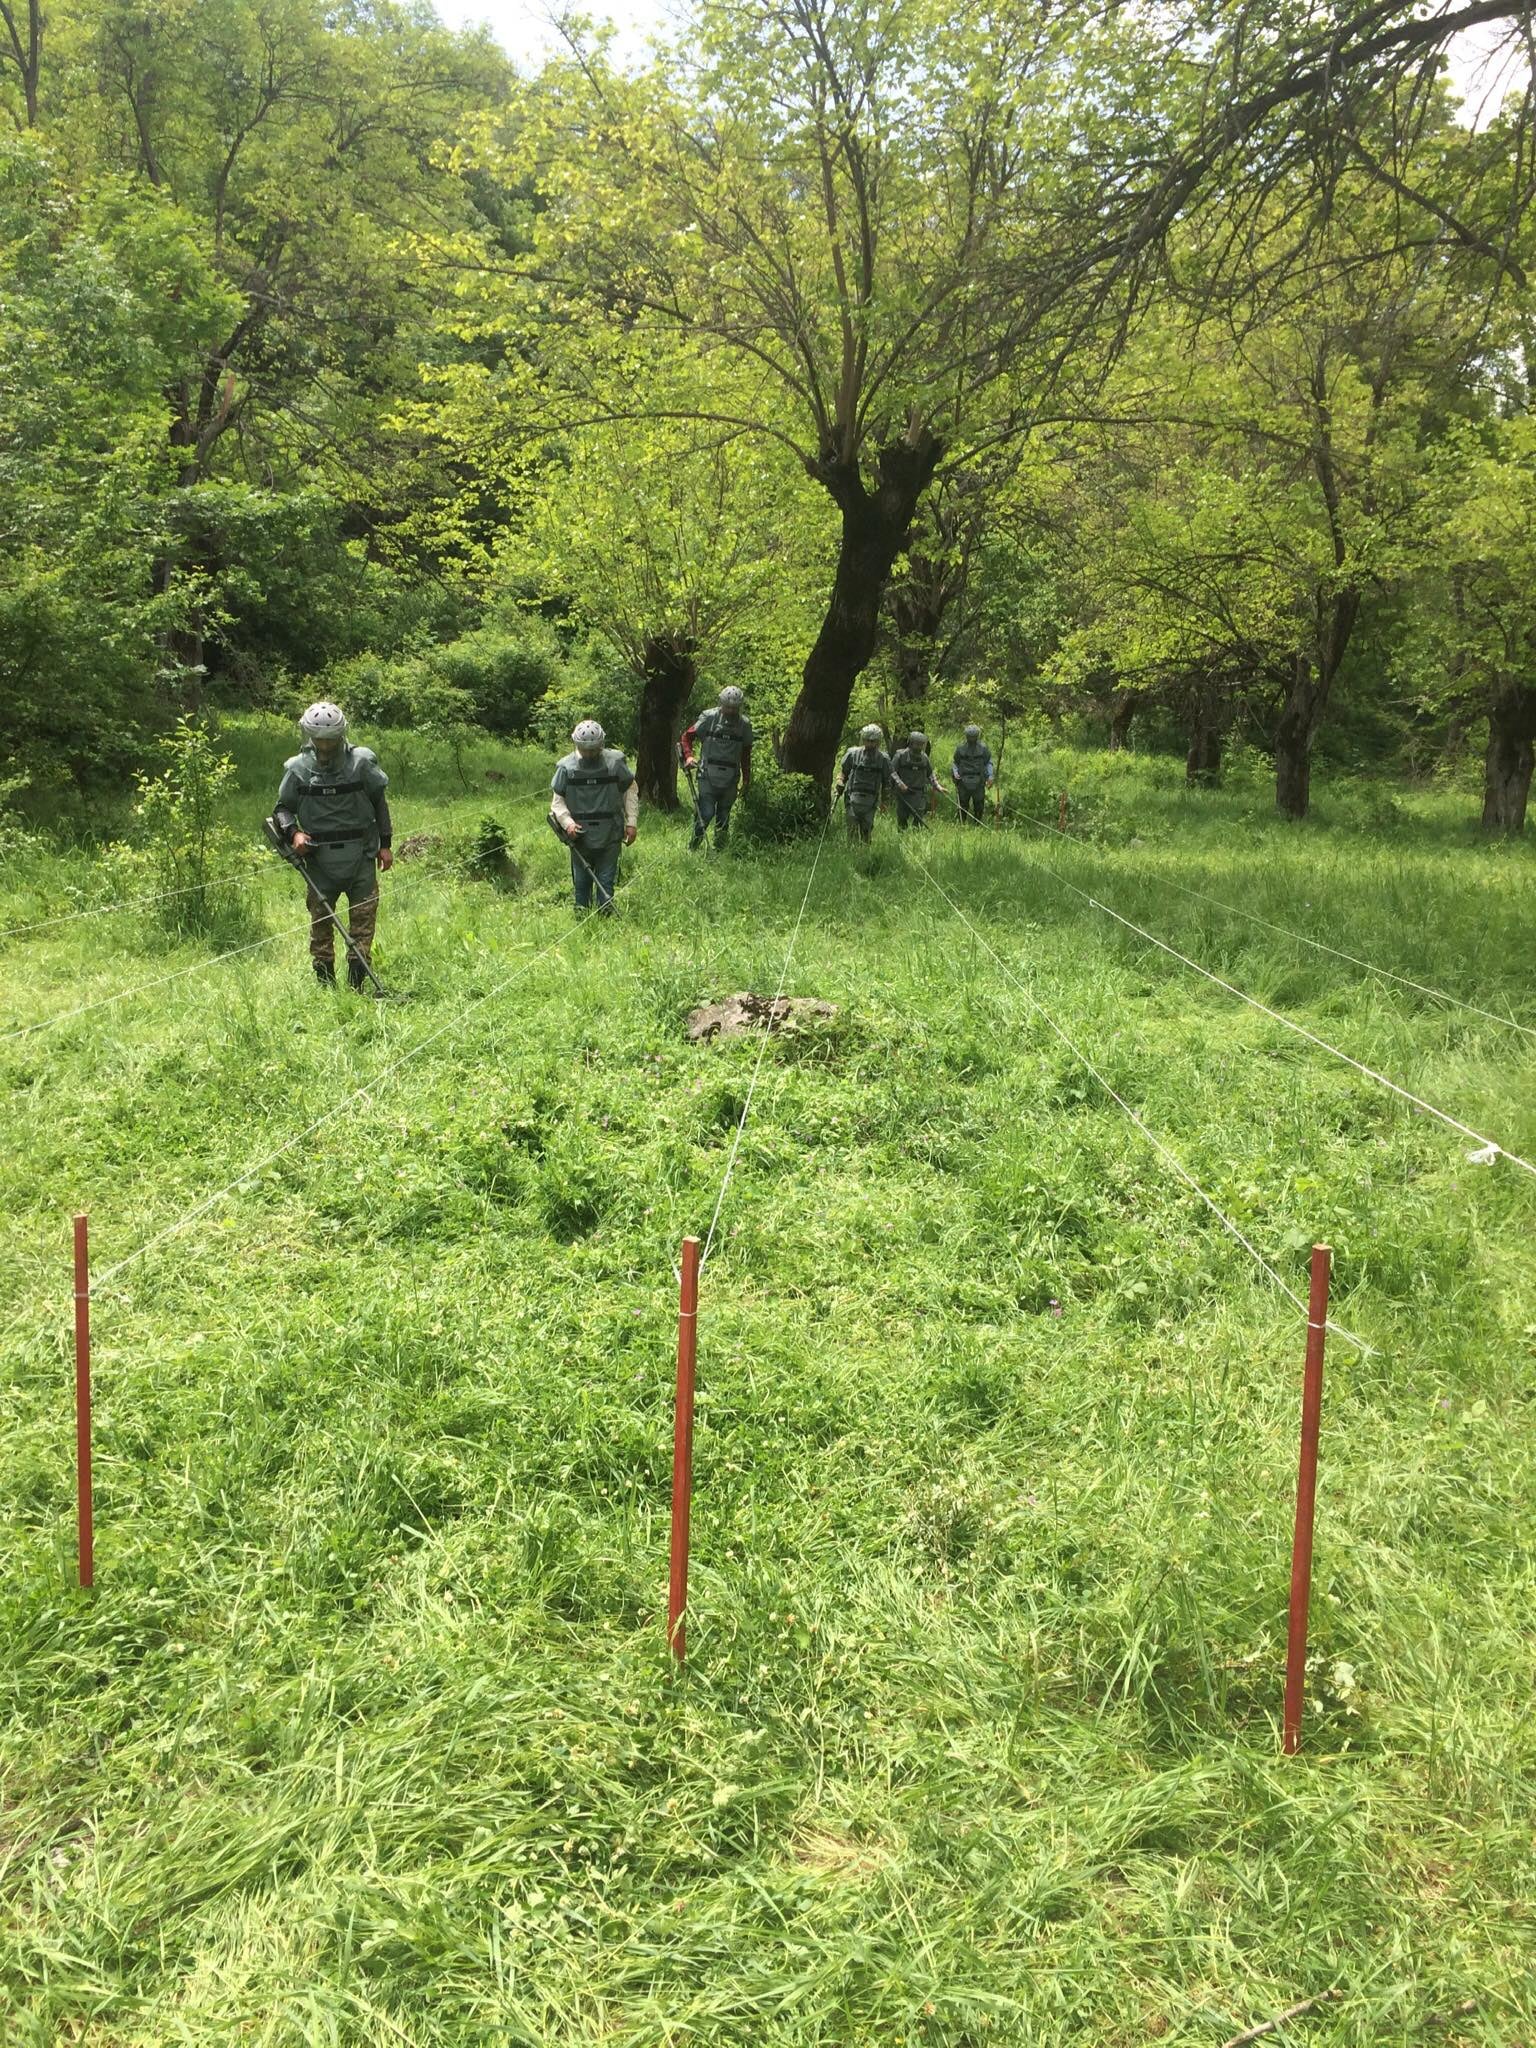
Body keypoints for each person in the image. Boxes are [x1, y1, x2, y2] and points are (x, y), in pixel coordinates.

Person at [273, 701, 393, 989]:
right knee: (321, 924)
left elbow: (379, 803)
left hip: (361, 856)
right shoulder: (298, 769)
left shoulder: (361, 763)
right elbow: (282, 809)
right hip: (319, 861)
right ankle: (326, 987)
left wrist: (385, 844)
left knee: (363, 925)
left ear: (340, 735)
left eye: (329, 739)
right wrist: (293, 834)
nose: (324, 746)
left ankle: (356, 985)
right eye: (318, 739)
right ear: (309, 736)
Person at [551, 720, 638, 914]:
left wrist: (631, 822)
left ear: (601, 744)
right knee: (581, 884)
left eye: (594, 750)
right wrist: (568, 823)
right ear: (577, 745)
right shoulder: (566, 768)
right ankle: (582, 919)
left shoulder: (615, 763)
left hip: (611, 832)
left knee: (606, 881)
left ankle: (606, 919)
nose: (590, 754)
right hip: (580, 836)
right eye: (585, 750)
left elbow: (630, 790)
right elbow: (557, 802)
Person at [681, 686, 753, 850]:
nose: (730, 710)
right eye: (727, 706)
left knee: (724, 815)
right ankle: (693, 846)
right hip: (707, 775)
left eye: (734, 708)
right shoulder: (708, 718)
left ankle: (720, 851)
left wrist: (747, 779)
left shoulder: (745, 725)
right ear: (721, 703)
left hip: (731, 777)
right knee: (706, 813)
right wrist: (689, 756)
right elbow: (687, 737)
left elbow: (746, 753)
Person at [837, 724, 903, 842]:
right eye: (868, 741)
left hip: (871, 801)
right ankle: (851, 855)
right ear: (863, 740)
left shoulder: (883, 759)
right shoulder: (852, 754)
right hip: (852, 799)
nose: (870, 744)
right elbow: (843, 773)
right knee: (851, 831)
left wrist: (885, 802)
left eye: (873, 741)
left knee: (866, 832)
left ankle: (865, 856)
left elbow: (886, 782)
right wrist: (840, 781)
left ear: (878, 742)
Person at [891, 731, 942, 829]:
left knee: (919, 817)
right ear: (911, 743)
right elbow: (892, 771)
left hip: (919, 793)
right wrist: (900, 783)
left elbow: (930, 774)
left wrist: (937, 785)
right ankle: (902, 836)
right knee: (902, 818)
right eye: (917, 744)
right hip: (904, 793)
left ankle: (916, 837)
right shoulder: (900, 755)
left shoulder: (924, 758)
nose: (919, 747)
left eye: (922, 745)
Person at [951, 724, 996, 823]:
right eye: (970, 737)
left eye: (974, 737)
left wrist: (990, 776)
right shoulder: (960, 748)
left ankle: (978, 823)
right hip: (963, 780)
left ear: (977, 736)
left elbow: (988, 762)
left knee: (979, 803)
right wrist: (955, 773)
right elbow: (955, 763)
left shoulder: (983, 748)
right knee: (962, 803)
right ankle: (961, 823)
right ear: (966, 736)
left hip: (978, 780)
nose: (972, 739)